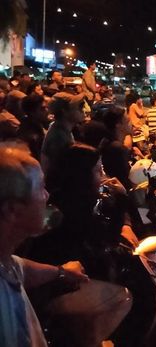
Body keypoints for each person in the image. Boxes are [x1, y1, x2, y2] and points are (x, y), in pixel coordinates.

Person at [0, 144, 89, 347]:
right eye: (41, 187)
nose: (47, 195)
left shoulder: (5, 259)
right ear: (12, 210)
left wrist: (61, 272)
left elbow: (20, 267)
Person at [41, 92, 86, 173]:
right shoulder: (60, 138)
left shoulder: (58, 127)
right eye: (79, 107)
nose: (83, 110)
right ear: (64, 111)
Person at [16, 94, 48, 160]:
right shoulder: (30, 134)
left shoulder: (36, 123)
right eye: (42, 109)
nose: (47, 111)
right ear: (31, 112)